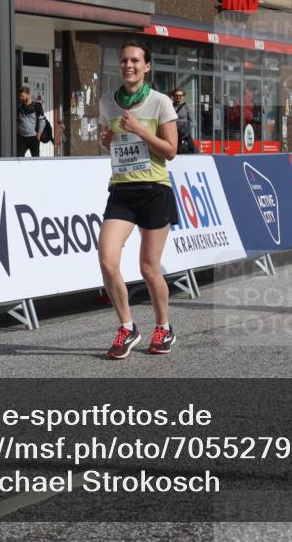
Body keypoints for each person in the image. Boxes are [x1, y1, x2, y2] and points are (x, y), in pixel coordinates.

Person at [98, 40, 180, 359]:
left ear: (147, 66)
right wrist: (106, 141)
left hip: (155, 189)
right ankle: (128, 327)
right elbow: (114, 145)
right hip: (121, 190)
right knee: (107, 259)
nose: (128, 65)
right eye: (123, 60)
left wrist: (141, 131)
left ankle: (164, 327)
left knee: (148, 268)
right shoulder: (107, 102)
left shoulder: (160, 103)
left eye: (135, 60)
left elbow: (171, 151)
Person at [16, 86, 46, 157]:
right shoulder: (20, 107)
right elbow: (18, 121)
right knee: (19, 158)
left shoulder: (37, 106)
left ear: (28, 94)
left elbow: (42, 121)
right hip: (22, 138)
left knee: (35, 159)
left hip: (34, 137)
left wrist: (39, 134)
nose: (20, 98)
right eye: (19, 96)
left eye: (22, 96)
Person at [171, 87, 195, 154]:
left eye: (180, 95)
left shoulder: (187, 107)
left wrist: (184, 132)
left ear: (183, 96)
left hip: (184, 134)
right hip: (172, 133)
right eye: (176, 95)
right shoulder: (170, 106)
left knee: (192, 150)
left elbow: (193, 122)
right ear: (173, 96)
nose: (178, 97)